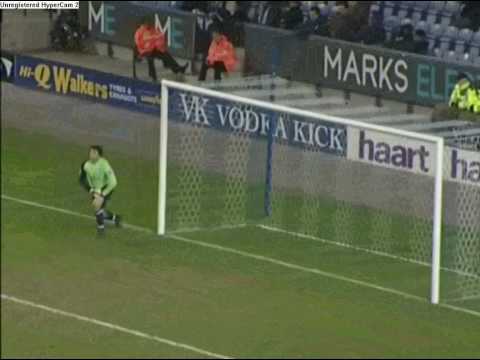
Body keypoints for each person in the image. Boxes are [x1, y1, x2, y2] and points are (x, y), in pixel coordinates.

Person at [79, 146, 121, 236]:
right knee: (100, 210)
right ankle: (115, 218)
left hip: (106, 187)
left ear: (99, 155)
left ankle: (100, 229)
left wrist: (102, 194)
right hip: (95, 189)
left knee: (97, 206)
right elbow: (81, 179)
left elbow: (113, 182)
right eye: (90, 152)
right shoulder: (85, 165)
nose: (91, 154)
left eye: (94, 153)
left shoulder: (104, 165)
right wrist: (91, 190)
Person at [134, 17, 188, 82]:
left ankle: (178, 69)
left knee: (165, 54)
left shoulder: (151, 29)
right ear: (142, 24)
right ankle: (153, 76)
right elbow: (139, 44)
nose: (147, 25)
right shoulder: (138, 32)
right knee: (150, 58)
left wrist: (157, 41)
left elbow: (157, 36)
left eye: (147, 24)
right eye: (145, 24)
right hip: (143, 51)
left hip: (152, 49)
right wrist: (149, 41)